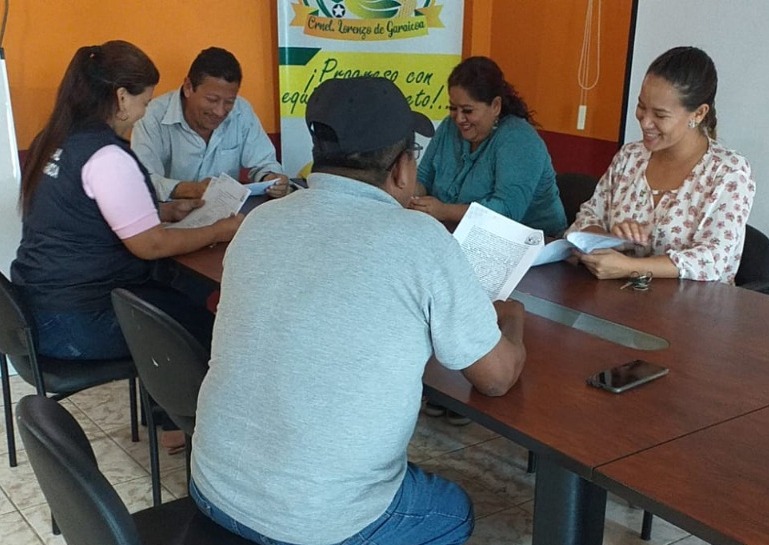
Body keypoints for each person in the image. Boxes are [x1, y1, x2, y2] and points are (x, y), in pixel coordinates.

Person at [190, 77, 527, 545]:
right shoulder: (420, 240)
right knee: (455, 511)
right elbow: (496, 378)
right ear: (403, 169)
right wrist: (512, 318)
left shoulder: (259, 221)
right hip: (318, 524)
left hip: (213, 487)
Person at [10, 41, 242, 451]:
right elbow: (150, 245)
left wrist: (162, 210)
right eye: (145, 100)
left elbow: (87, 214)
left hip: (36, 311)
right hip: (75, 323)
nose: (145, 111)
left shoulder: (57, 140)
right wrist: (219, 230)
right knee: (207, 326)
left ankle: (164, 420)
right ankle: (187, 430)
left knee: (180, 294)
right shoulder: (106, 155)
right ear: (121, 97)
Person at [567, 46, 755, 284]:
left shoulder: (728, 172)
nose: (645, 122)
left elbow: (712, 260)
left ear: (698, 114)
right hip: (616, 296)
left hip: (689, 304)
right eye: (641, 106)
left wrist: (631, 267)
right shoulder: (630, 157)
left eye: (660, 115)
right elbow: (587, 218)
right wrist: (607, 239)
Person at [410, 56, 566, 237]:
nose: (458, 118)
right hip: (455, 234)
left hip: (531, 242)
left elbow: (507, 211)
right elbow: (424, 178)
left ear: (495, 106)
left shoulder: (519, 139)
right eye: (452, 108)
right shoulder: (448, 127)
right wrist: (408, 194)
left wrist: (444, 211)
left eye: (467, 111)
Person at [131, 46, 289, 202]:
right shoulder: (151, 116)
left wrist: (271, 179)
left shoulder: (242, 111)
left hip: (226, 213)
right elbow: (142, 180)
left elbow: (265, 162)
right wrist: (190, 189)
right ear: (188, 87)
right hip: (169, 213)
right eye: (212, 100)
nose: (220, 111)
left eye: (229, 101)